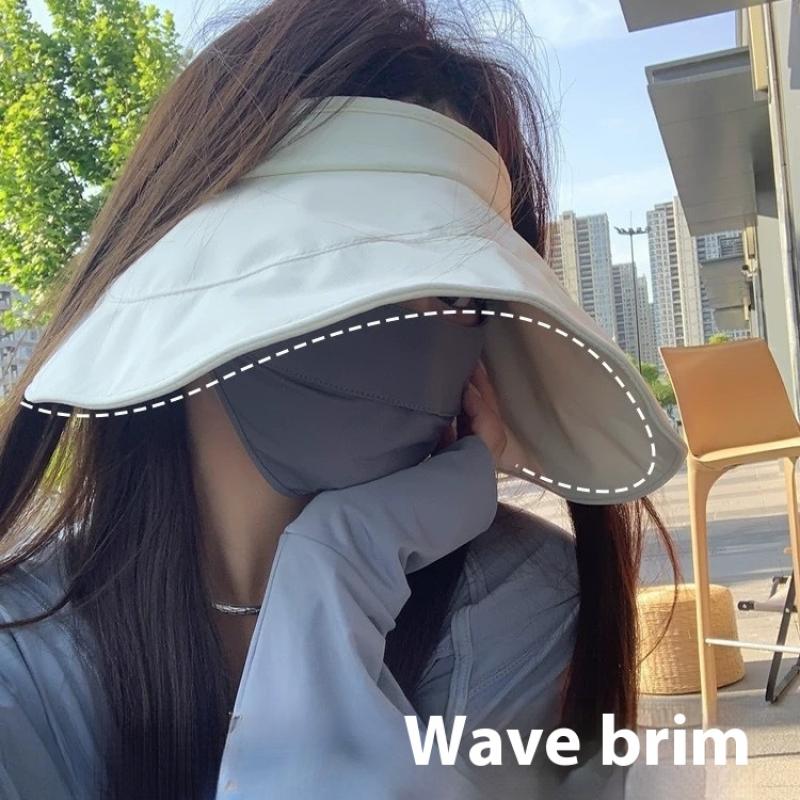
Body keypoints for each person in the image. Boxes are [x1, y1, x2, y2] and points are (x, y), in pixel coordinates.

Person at [0, 1, 685, 798]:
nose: (416, 326)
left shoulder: (523, 598)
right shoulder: (23, 652)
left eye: (459, 295)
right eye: (345, 267)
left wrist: (343, 566)